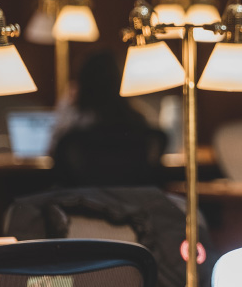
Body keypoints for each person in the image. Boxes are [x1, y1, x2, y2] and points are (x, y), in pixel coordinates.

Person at [48, 49, 166, 187]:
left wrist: (66, 107)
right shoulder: (140, 123)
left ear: (82, 84)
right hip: (133, 203)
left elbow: (54, 156)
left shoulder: (75, 128)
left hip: (85, 204)